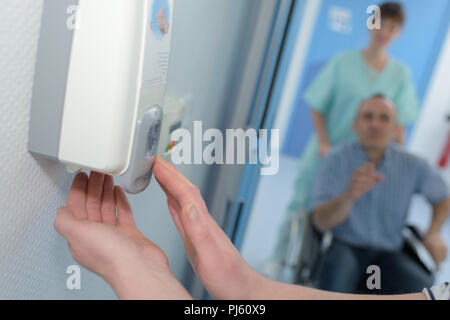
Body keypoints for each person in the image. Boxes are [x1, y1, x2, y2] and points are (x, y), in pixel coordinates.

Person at [54, 155, 446, 300]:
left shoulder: (411, 165)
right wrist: (246, 288)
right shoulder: (340, 161)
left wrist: (139, 277)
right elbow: (320, 219)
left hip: (391, 248)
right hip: (346, 243)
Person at [271, 2, 420, 266]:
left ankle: (321, 270)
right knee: (301, 207)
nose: (384, 30)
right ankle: (279, 258)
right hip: (326, 152)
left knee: (347, 219)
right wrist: (325, 143)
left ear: (399, 33)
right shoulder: (343, 63)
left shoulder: (400, 75)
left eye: (392, 26)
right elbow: (317, 106)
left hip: (363, 163)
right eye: (379, 22)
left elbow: (399, 124)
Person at [311, 95, 450, 294]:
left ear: (396, 128)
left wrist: (434, 232)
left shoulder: (412, 164)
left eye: (384, 118)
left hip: (390, 253)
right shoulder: (335, 160)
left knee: (428, 293)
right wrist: (349, 196)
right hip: (346, 247)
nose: (375, 124)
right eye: (368, 117)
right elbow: (320, 222)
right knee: (331, 293)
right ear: (355, 125)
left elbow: (443, 196)